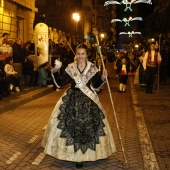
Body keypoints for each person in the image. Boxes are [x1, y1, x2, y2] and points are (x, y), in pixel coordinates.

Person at [41, 44, 116, 169]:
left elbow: (96, 85)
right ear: (76, 54)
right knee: (71, 126)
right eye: (78, 53)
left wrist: (103, 78)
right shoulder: (70, 67)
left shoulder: (92, 67)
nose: (80, 56)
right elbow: (60, 83)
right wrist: (54, 72)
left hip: (88, 101)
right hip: (72, 99)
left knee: (89, 126)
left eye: (83, 54)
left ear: (87, 55)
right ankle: (76, 157)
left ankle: (86, 155)